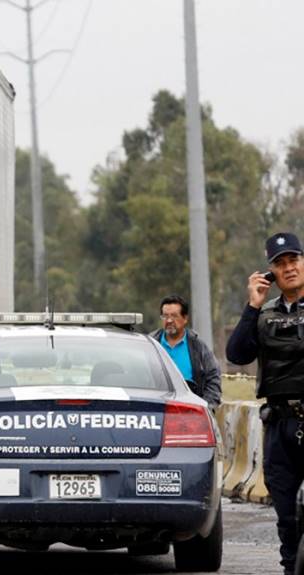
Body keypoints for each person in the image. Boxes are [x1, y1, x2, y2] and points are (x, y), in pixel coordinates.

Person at [226, 232, 304, 575]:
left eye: (293, 260)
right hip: (279, 424)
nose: (288, 268)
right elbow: (237, 354)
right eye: (280, 263)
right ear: (270, 271)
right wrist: (253, 304)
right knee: (286, 514)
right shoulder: (263, 314)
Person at [150, 294, 222, 409]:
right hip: (155, 410)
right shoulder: (151, 345)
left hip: (190, 413)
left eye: (174, 316)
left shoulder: (198, 347)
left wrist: (206, 408)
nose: (169, 320)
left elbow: (213, 378)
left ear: (185, 318)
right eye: (165, 316)